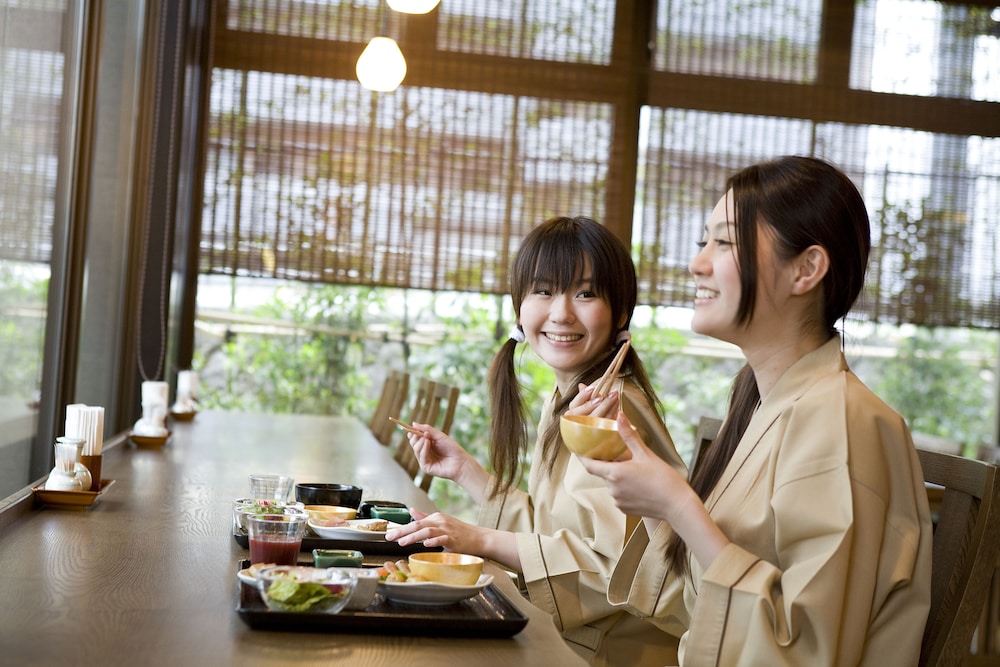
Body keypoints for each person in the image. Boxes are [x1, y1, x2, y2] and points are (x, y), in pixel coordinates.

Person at [578, 156, 933, 666]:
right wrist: (652, 502)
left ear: (806, 269)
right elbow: (706, 614)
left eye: (724, 243)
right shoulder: (768, 404)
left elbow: (807, 651)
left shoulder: (846, 422)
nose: (697, 263)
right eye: (705, 241)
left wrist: (679, 505)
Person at [386, 216, 688, 666]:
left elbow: (611, 570)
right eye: (544, 291)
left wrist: (478, 538)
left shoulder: (612, 410)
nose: (562, 312)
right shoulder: (574, 397)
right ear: (519, 307)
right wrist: (466, 472)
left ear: (621, 311)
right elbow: (554, 529)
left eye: (585, 293)